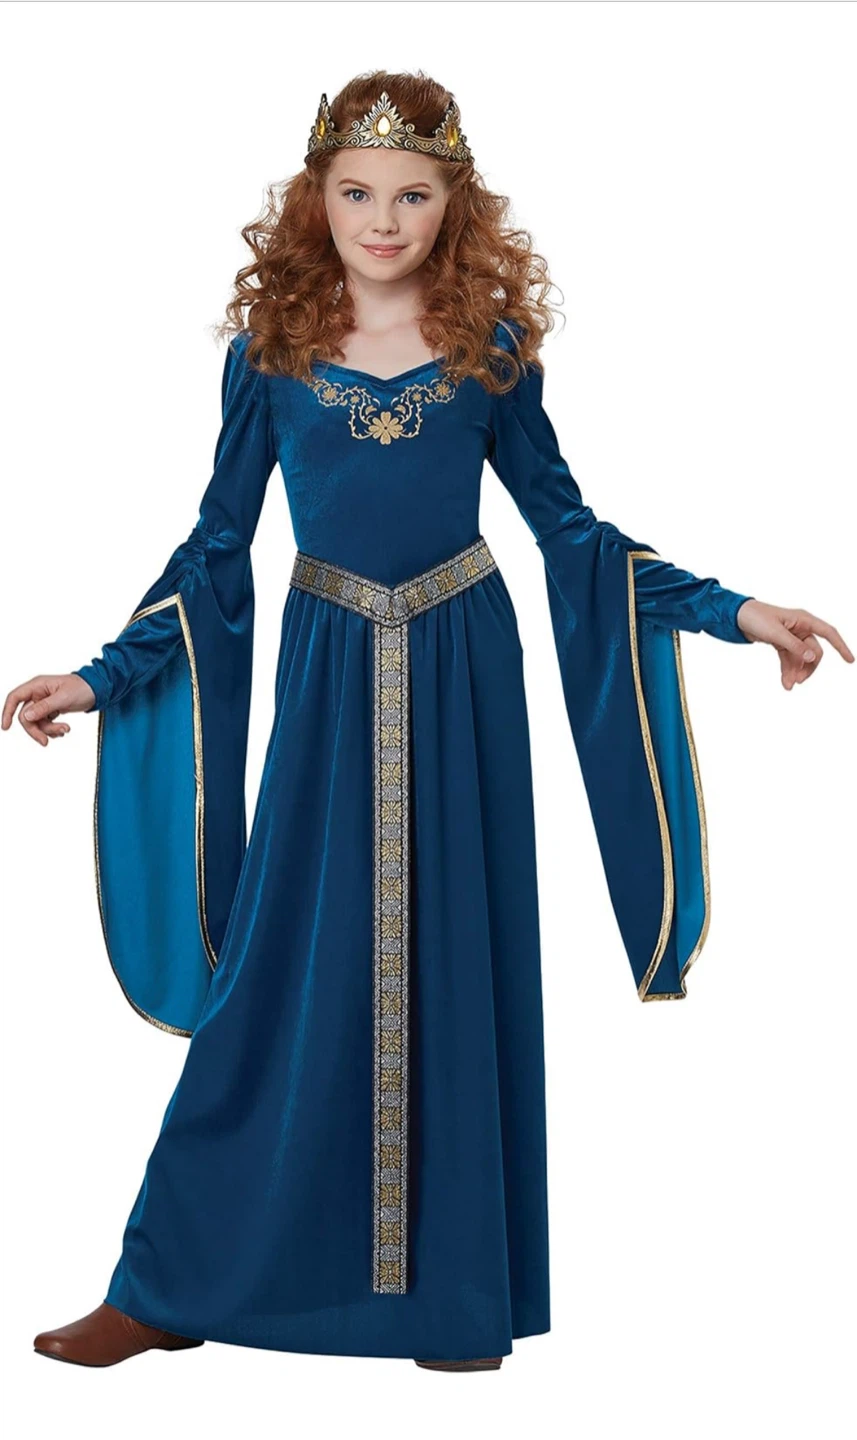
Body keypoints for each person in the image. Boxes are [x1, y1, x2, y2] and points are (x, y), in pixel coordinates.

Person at [4, 71, 852, 1373]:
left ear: (455, 204)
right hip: (330, 673)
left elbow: (571, 533)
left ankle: (452, 1300)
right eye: (356, 193)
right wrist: (105, 674)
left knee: (452, 954)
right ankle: (170, 1285)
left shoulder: (488, 352)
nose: (383, 221)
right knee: (276, 973)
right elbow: (217, 546)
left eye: (411, 195)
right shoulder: (274, 356)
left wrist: (736, 612)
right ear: (317, 200)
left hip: (463, 671)